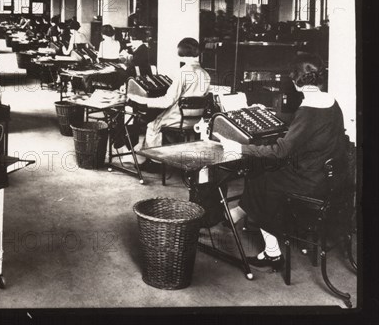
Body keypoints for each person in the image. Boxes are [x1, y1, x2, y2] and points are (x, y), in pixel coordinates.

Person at [216, 53, 348, 270]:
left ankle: (272, 253)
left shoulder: (310, 107)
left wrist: (237, 147)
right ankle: (236, 215)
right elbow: (304, 126)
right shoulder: (329, 102)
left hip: (311, 181)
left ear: (296, 81)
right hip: (326, 176)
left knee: (260, 175)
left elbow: (281, 151)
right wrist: (266, 112)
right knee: (265, 173)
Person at [128, 38, 211, 166]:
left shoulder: (183, 72)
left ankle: (154, 162)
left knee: (153, 125)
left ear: (182, 52)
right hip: (195, 119)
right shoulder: (205, 74)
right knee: (159, 119)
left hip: (178, 118)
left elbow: (167, 101)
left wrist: (142, 100)